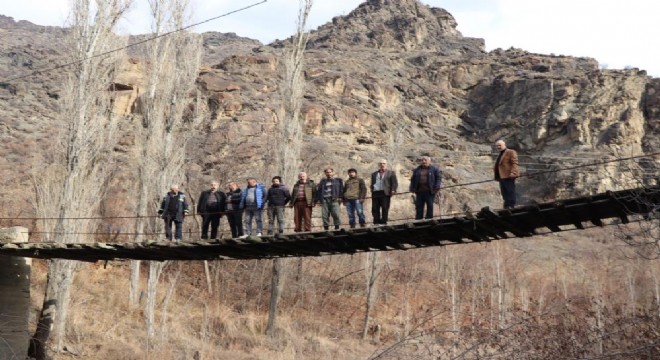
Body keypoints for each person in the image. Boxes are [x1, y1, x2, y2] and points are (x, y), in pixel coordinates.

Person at [370, 159, 398, 225]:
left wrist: (393, 190)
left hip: (385, 192)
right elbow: (372, 183)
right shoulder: (374, 174)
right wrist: (372, 188)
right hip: (376, 192)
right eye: (381, 163)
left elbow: (394, 183)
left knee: (385, 208)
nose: (382, 165)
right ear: (379, 165)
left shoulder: (391, 173)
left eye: (384, 163)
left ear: (386, 164)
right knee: (375, 208)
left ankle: (383, 222)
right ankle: (376, 222)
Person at [494, 140, 519, 209]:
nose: (498, 147)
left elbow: (515, 163)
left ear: (504, 145)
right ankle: (507, 206)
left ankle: (511, 205)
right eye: (497, 146)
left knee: (510, 191)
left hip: (509, 176)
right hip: (501, 177)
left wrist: (513, 173)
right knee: (504, 193)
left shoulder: (510, 152)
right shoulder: (501, 154)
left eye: (500, 145)